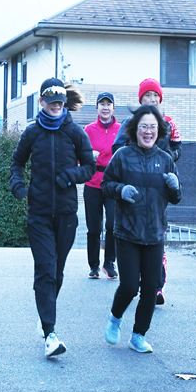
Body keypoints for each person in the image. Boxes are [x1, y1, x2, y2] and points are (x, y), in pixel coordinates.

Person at [10, 78, 95, 359]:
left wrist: (70, 176)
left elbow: (90, 168)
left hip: (67, 214)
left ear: (63, 104)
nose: (56, 107)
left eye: (60, 102)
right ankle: (50, 333)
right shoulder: (33, 133)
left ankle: (45, 313)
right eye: (51, 102)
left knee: (57, 272)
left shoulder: (75, 133)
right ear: (42, 103)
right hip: (39, 213)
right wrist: (18, 186)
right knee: (45, 270)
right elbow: (17, 162)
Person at [102, 105, 182, 353]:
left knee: (151, 287)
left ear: (159, 131)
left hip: (155, 233)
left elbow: (177, 197)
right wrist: (120, 190)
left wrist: (175, 186)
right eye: (144, 126)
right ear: (135, 129)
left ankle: (138, 335)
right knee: (129, 286)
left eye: (153, 127)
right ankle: (115, 318)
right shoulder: (123, 156)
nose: (148, 131)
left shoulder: (165, 159)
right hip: (127, 232)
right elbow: (106, 185)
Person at [112, 78, 181, 304]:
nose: (151, 100)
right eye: (147, 96)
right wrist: (133, 160)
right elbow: (117, 148)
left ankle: (156, 286)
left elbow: (177, 149)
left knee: (157, 236)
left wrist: (168, 164)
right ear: (140, 100)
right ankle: (135, 282)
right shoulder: (131, 123)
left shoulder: (168, 123)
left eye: (155, 96)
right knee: (134, 237)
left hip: (158, 187)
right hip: (134, 185)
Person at [83, 91, 121, 280]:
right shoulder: (88, 130)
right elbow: (79, 155)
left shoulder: (121, 129)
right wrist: (90, 155)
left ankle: (109, 263)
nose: (105, 107)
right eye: (102, 104)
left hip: (112, 182)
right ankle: (94, 266)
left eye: (109, 104)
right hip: (92, 183)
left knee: (113, 224)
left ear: (113, 107)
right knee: (94, 228)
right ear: (97, 107)